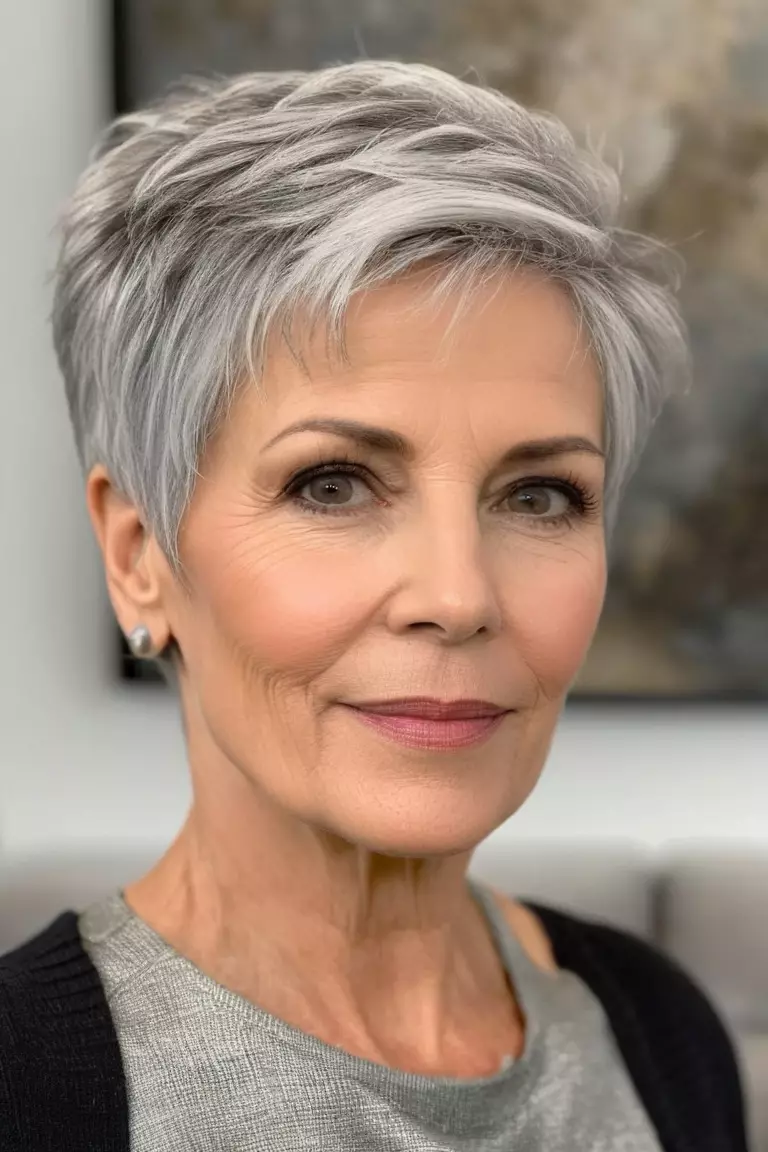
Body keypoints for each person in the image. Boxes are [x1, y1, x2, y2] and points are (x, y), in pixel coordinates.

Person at [0, 60, 748, 1151]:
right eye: (333, 484)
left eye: (540, 495)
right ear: (138, 555)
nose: (457, 596)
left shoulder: (662, 1034)